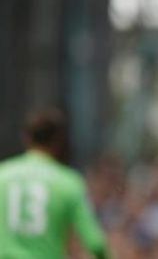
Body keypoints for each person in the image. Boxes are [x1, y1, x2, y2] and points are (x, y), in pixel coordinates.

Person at [0, 108, 109, 259]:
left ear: (26, 138)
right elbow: (96, 243)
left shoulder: (3, 175)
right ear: (58, 141)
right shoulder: (69, 182)